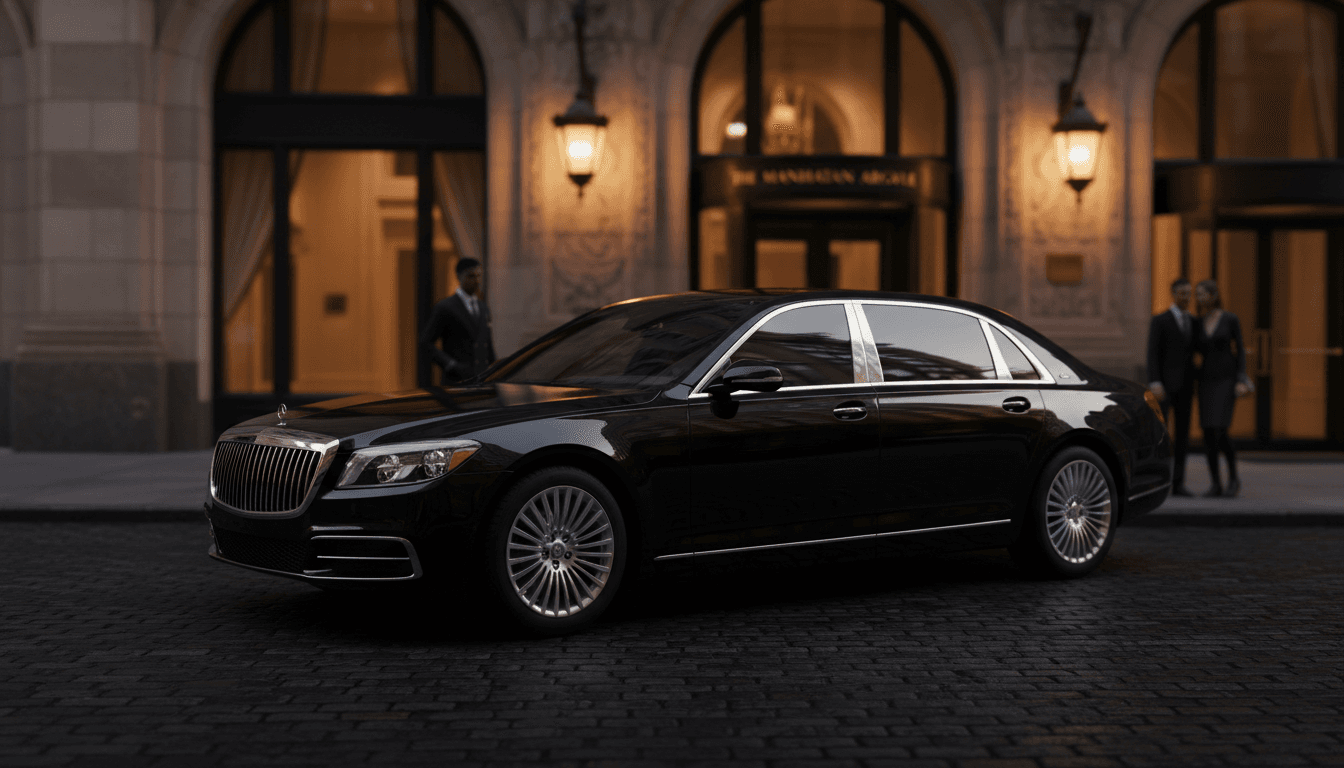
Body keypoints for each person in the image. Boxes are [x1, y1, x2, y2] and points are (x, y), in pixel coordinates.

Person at [1194, 279, 1251, 498]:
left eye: (1203, 294)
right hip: (1206, 381)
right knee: (1208, 432)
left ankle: (1234, 479)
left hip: (1226, 380)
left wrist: (1241, 378)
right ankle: (1215, 483)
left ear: (1214, 295)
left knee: (1221, 430)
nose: (1199, 298)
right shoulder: (1198, 322)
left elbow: (1240, 350)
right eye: (1197, 295)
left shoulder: (1230, 319)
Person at [1146, 278, 1200, 496]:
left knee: (1183, 436)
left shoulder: (1194, 322)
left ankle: (1178, 483)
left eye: (1188, 293)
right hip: (1165, 387)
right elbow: (1152, 353)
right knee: (1162, 436)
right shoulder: (1160, 320)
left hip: (1186, 388)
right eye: (1181, 293)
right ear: (1173, 293)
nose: (1185, 297)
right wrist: (1155, 381)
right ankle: (1159, 482)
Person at [419, 257, 495, 384]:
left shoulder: (483, 308)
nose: (476, 280)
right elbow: (425, 343)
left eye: (478, 276)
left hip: (482, 380)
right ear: (459, 276)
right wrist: (451, 364)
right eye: (471, 276)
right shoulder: (445, 307)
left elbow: (487, 344)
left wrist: (495, 370)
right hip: (456, 381)